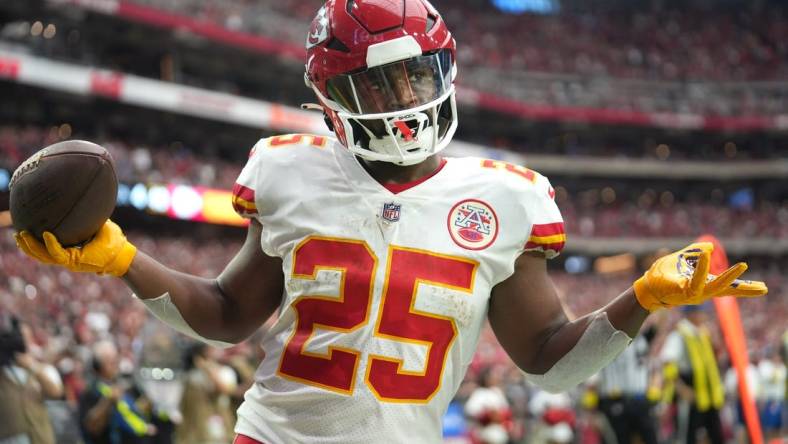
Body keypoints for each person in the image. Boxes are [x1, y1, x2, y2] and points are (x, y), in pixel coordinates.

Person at [12, 0, 768, 442]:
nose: (405, 93)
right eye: (381, 80)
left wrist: (639, 300)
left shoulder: (508, 196)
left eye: (416, 72)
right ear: (334, 93)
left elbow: (547, 357)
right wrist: (122, 261)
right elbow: (228, 313)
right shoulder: (287, 169)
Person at [660, 305, 726, 444]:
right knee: (688, 436)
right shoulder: (678, 335)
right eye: (702, 313)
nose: (704, 316)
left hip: (708, 396)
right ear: (692, 314)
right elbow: (667, 362)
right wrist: (681, 388)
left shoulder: (703, 333)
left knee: (716, 435)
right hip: (691, 392)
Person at [78, 340, 157, 444]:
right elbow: (91, 427)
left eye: (115, 359)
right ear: (98, 365)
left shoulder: (126, 383)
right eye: (109, 361)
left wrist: (143, 408)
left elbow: (134, 411)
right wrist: (108, 402)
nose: (115, 364)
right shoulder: (91, 391)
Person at [0, 315, 63, 444]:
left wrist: (32, 366)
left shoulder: (41, 368)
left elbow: (56, 393)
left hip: (41, 438)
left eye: (23, 337)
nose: (19, 341)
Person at [596, 330, 659, 444]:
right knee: (619, 439)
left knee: (649, 437)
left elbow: (652, 367)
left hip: (639, 399)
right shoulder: (605, 340)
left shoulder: (642, 339)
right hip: (614, 399)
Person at [176, 343, 237, 444]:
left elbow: (224, 390)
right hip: (195, 425)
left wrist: (208, 368)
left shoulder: (226, 372)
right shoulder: (192, 376)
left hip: (219, 421)